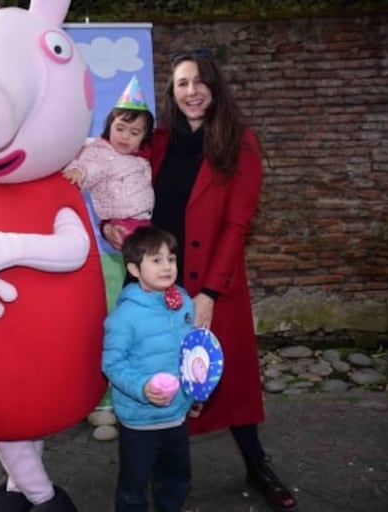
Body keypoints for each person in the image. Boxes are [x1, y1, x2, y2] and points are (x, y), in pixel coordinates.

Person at [102, 50, 297, 512]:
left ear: (215, 86)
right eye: (182, 83)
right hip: (155, 283)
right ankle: (149, 469)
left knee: (227, 381)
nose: (192, 91)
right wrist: (112, 223)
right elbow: (119, 179)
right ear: (172, 92)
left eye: (200, 81)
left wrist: (209, 292)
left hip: (212, 284)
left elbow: (236, 226)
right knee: (155, 370)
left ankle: (256, 463)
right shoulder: (160, 141)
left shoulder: (239, 143)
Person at [102, 226, 197, 512]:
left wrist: (196, 391)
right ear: (133, 268)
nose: (167, 266)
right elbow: (112, 364)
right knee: (134, 485)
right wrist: (143, 387)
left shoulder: (183, 302)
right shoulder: (124, 317)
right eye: (156, 260)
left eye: (171, 259)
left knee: (176, 478)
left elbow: (190, 353)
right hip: (139, 421)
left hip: (177, 415)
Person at [62, 75, 155, 234]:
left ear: (144, 137)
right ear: (109, 126)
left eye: (134, 132)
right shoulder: (101, 152)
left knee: (158, 253)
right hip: (124, 224)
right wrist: (78, 172)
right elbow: (91, 167)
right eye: (120, 128)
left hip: (146, 220)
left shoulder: (141, 160)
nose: (125, 136)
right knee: (147, 255)